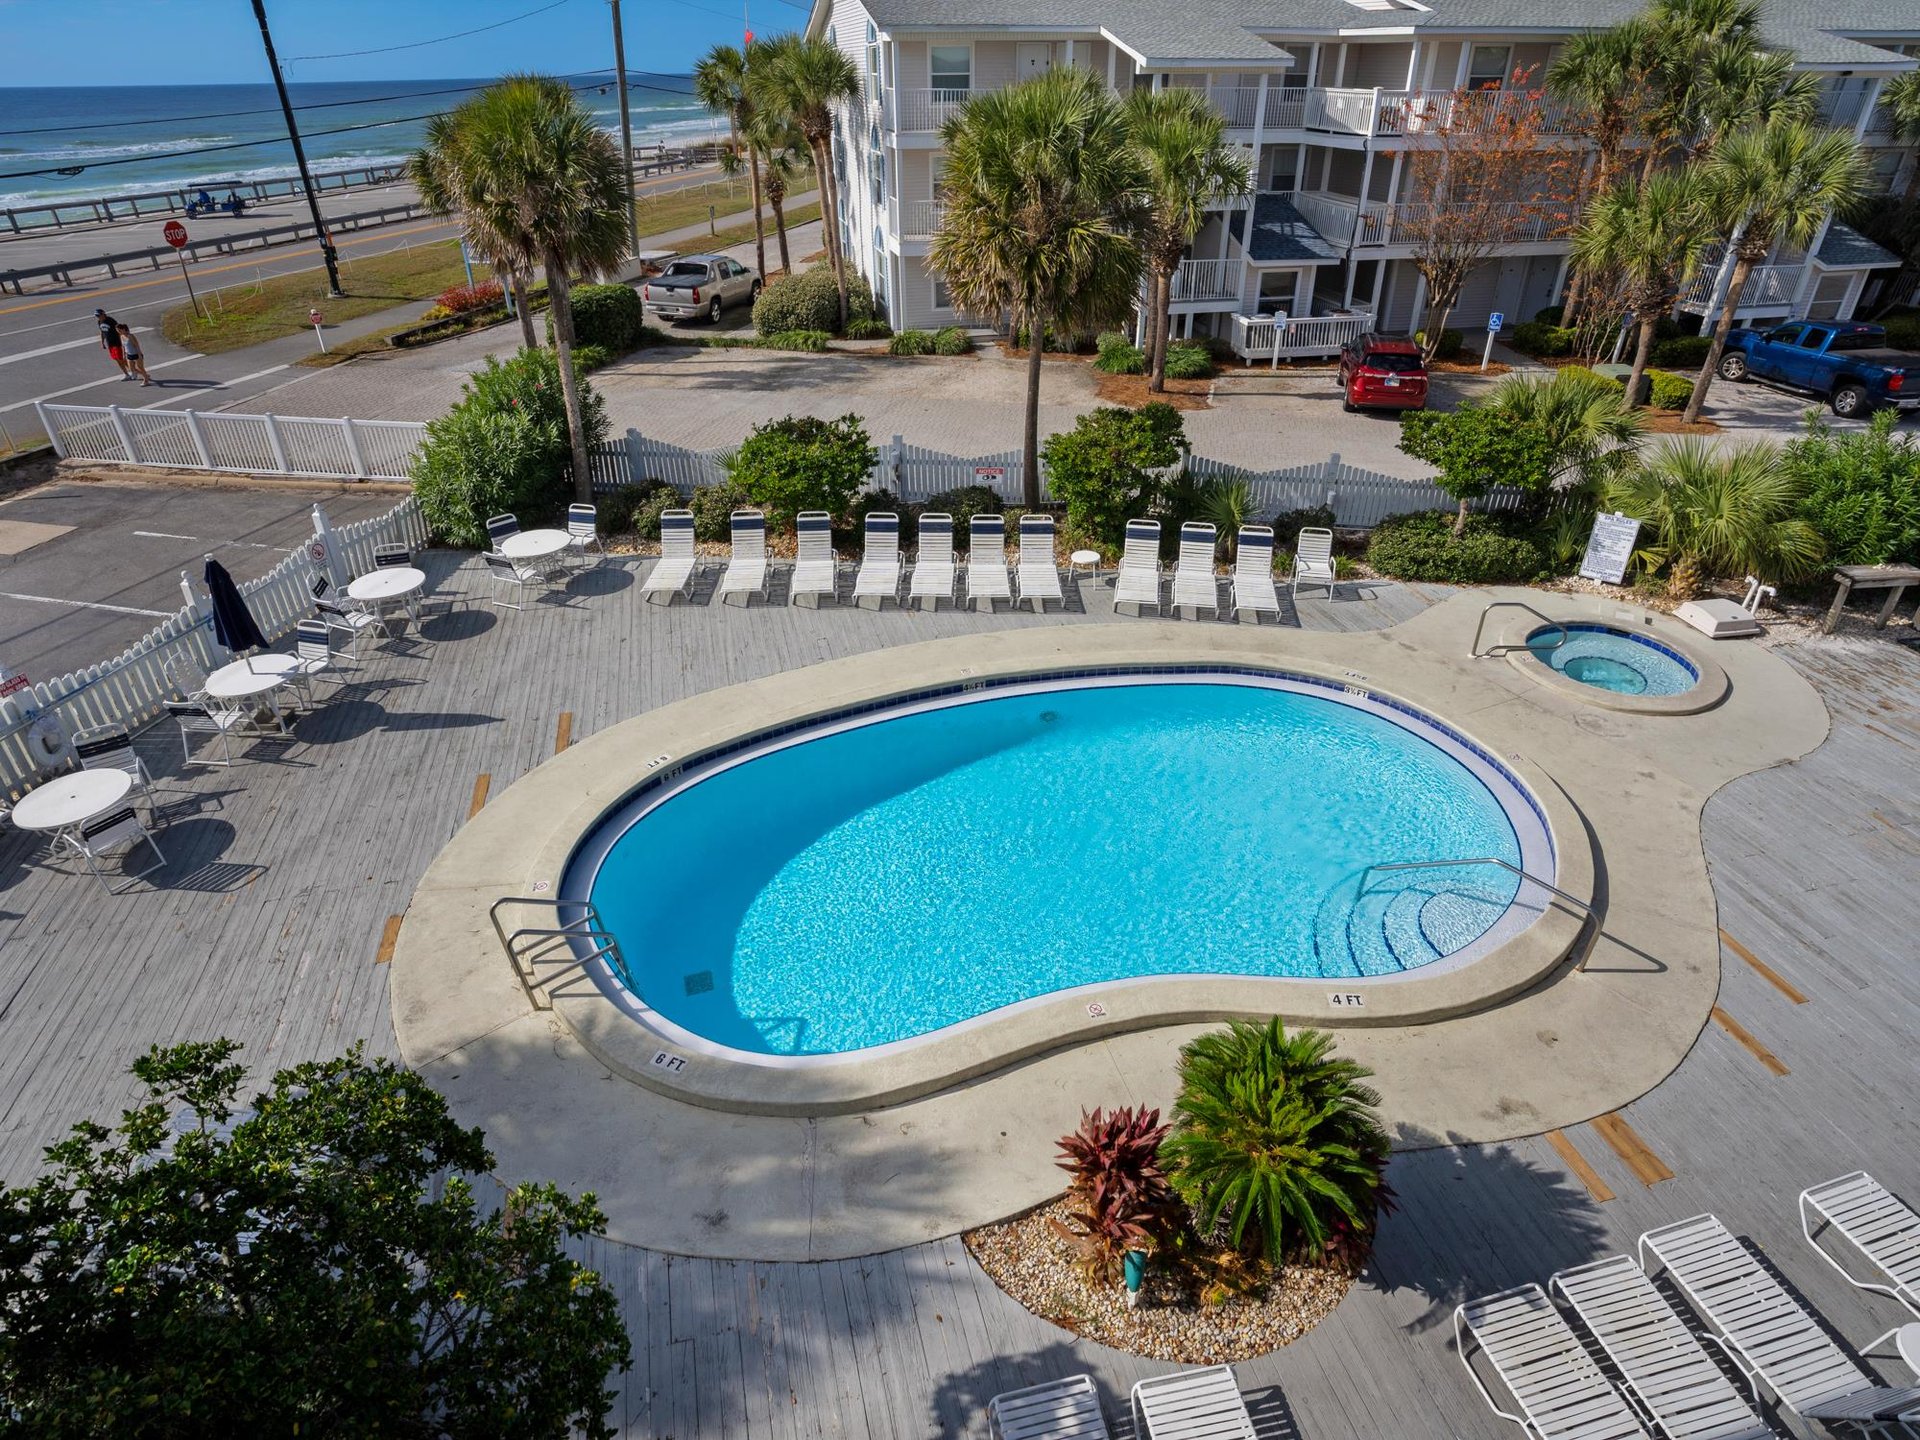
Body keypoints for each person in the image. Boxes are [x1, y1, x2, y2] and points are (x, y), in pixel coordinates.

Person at [94, 308, 128, 379]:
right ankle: (126, 374)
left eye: (98, 315)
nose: (98, 317)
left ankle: (134, 371)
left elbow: (119, 330)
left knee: (121, 359)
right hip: (110, 344)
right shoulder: (99, 322)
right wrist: (102, 342)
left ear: (103, 314)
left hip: (117, 342)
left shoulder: (110, 320)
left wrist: (123, 340)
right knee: (117, 359)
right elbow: (102, 332)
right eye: (96, 316)